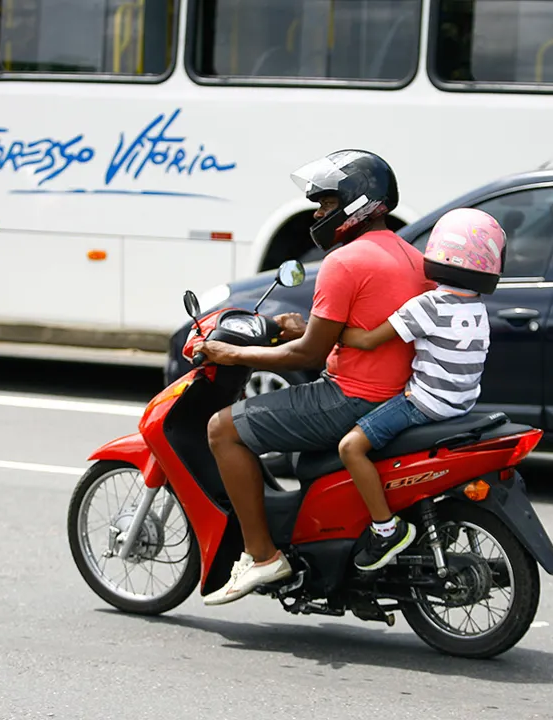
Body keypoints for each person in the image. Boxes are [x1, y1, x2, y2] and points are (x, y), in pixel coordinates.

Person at [192, 149, 433, 606]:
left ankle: (262, 556)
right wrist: (306, 327)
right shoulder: (410, 256)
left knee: (222, 429)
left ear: (355, 204)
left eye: (325, 204)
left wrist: (232, 352)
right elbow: (371, 328)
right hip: (396, 395)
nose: (318, 215)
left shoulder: (345, 262)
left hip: (352, 398)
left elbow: (307, 354)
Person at [336, 207, 507, 571]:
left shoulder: (429, 305)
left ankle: (386, 530)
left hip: (424, 404)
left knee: (351, 447)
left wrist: (330, 331)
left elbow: (368, 341)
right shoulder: (478, 309)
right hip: (461, 404)